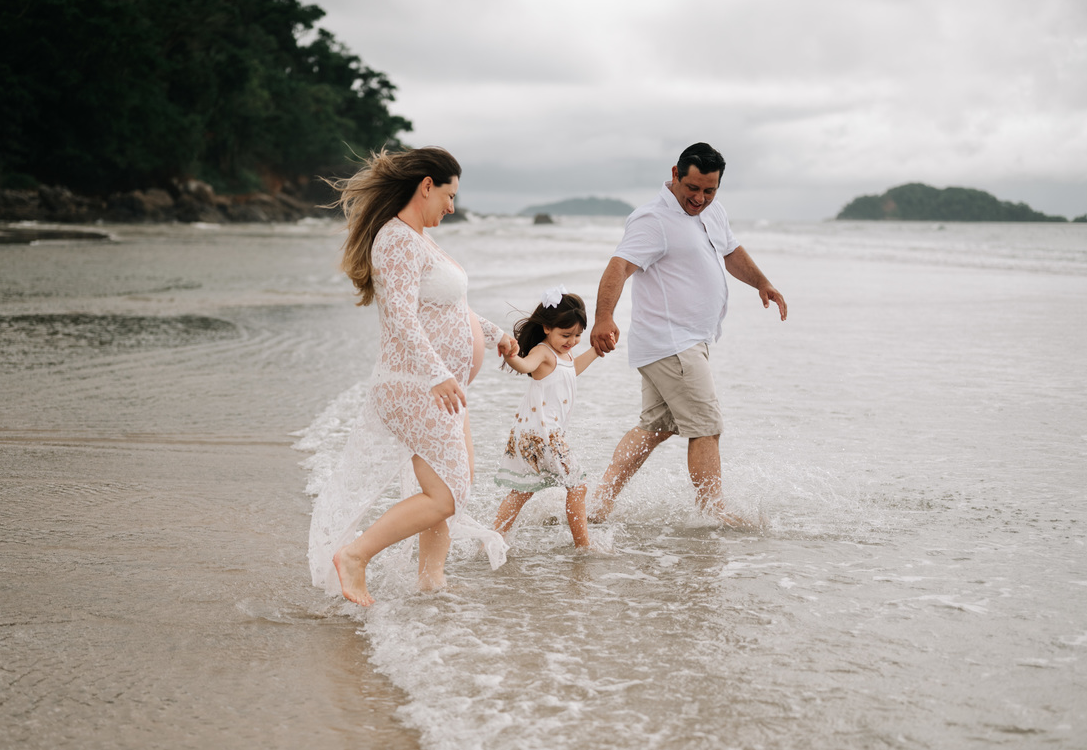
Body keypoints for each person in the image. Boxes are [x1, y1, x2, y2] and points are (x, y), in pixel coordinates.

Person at [306, 146, 517, 606]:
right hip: (415, 386)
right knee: (446, 494)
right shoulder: (397, 240)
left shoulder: (419, 239)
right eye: (449, 195)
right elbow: (400, 315)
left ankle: (431, 580)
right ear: (426, 186)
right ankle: (355, 557)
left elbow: (449, 308)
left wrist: (495, 333)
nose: (452, 207)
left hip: (437, 387)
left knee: (450, 485)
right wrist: (437, 372)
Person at [588, 142, 787, 526]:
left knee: (655, 427)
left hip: (686, 341)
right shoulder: (653, 219)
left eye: (709, 190)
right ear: (675, 174)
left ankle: (597, 505)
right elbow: (619, 266)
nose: (699, 198)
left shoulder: (713, 211)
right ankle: (713, 513)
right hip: (671, 343)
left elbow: (731, 252)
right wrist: (603, 317)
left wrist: (762, 282)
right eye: (692, 188)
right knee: (707, 426)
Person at [492, 288, 600, 549]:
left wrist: (596, 350)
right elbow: (525, 366)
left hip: (533, 433)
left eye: (577, 335)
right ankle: (583, 546)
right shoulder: (542, 352)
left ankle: (493, 541)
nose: (572, 341)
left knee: (522, 490)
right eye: (566, 335)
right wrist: (510, 355)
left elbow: (571, 370)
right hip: (545, 434)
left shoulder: (563, 354)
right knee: (578, 486)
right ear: (546, 328)